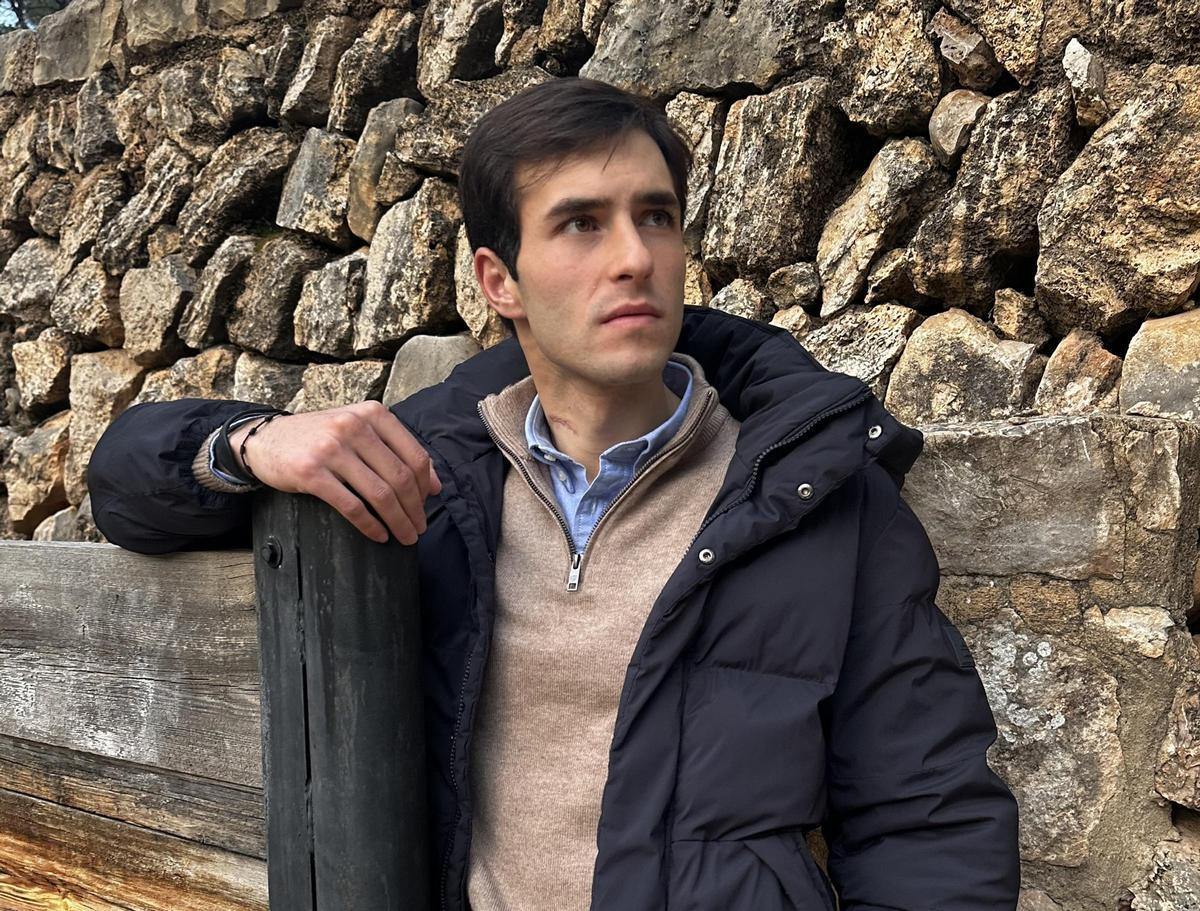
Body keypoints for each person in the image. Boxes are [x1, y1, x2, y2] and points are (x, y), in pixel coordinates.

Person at [87, 77, 1020, 910]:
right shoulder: (429, 474)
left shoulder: (809, 491)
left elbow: (926, 817)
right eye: (582, 223)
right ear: (501, 281)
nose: (633, 258)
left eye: (655, 216)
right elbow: (124, 484)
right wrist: (249, 442)